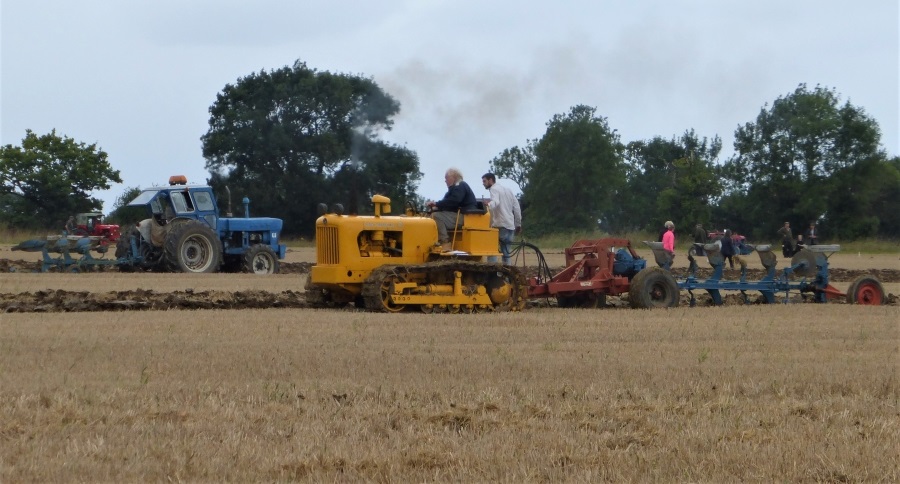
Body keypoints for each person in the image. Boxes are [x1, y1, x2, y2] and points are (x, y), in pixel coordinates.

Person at [427, 168, 477, 251]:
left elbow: (455, 201)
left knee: (436, 216)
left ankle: (445, 243)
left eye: (446, 178)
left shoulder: (460, 185)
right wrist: (436, 207)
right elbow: (447, 202)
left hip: (465, 217)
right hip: (458, 215)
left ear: (453, 177)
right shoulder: (453, 189)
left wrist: (437, 204)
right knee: (429, 216)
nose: (445, 181)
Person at [481, 172, 522, 264]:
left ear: (491, 180)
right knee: (506, 255)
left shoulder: (493, 189)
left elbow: (495, 201)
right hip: (510, 226)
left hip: (500, 225)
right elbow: (516, 208)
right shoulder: (508, 190)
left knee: (492, 250)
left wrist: (488, 204)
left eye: (484, 181)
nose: (483, 183)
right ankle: (507, 276)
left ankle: (493, 274)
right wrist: (518, 224)